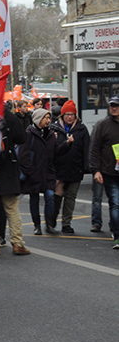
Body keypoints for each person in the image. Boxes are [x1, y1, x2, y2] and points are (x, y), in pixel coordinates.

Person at [0, 102, 30, 256]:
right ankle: (17, 243)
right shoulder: (8, 116)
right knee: (11, 207)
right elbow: (22, 138)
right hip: (8, 166)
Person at [20, 108, 71, 235]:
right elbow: (23, 156)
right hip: (34, 174)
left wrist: (67, 144)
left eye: (49, 118)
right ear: (38, 119)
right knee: (34, 199)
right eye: (46, 118)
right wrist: (31, 172)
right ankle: (37, 225)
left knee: (50, 197)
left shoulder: (50, 135)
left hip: (48, 173)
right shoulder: (28, 134)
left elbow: (56, 152)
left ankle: (49, 225)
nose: (49, 121)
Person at [52, 100, 90, 234]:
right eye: (67, 114)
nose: (69, 117)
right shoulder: (54, 128)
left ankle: (66, 223)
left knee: (70, 197)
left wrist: (87, 167)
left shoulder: (81, 129)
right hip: (58, 169)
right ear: (62, 115)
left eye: (72, 114)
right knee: (57, 195)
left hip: (75, 168)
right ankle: (52, 219)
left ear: (76, 116)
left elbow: (87, 148)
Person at [89, 93, 119, 249]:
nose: (113, 108)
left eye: (116, 105)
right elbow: (94, 149)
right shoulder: (103, 125)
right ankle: (118, 236)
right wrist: (96, 170)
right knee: (115, 203)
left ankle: (115, 228)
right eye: (112, 105)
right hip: (109, 172)